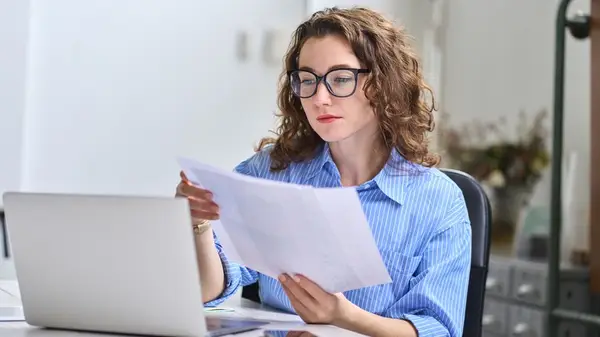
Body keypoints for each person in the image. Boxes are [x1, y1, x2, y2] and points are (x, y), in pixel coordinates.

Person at [176, 6, 472, 337]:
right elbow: (209, 291)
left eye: (340, 79)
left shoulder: (440, 201)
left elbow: (438, 330)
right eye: (306, 80)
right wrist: (198, 225)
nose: (319, 98)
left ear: (381, 84)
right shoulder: (271, 170)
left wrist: (342, 316)